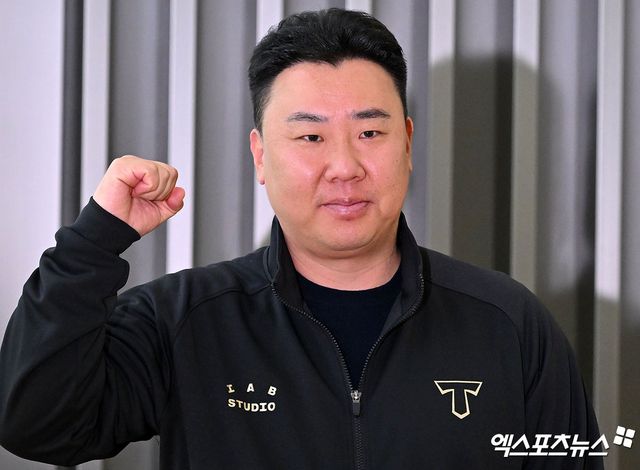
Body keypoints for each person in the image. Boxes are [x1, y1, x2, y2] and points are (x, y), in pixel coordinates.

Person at [0, 8, 602, 470]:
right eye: (310, 138)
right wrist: (93, 243)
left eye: (370, 132)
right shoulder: (185, 320)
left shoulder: (508, 323)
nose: (344, 167)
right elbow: (37, 425)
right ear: (260, 155)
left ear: (408, 143)